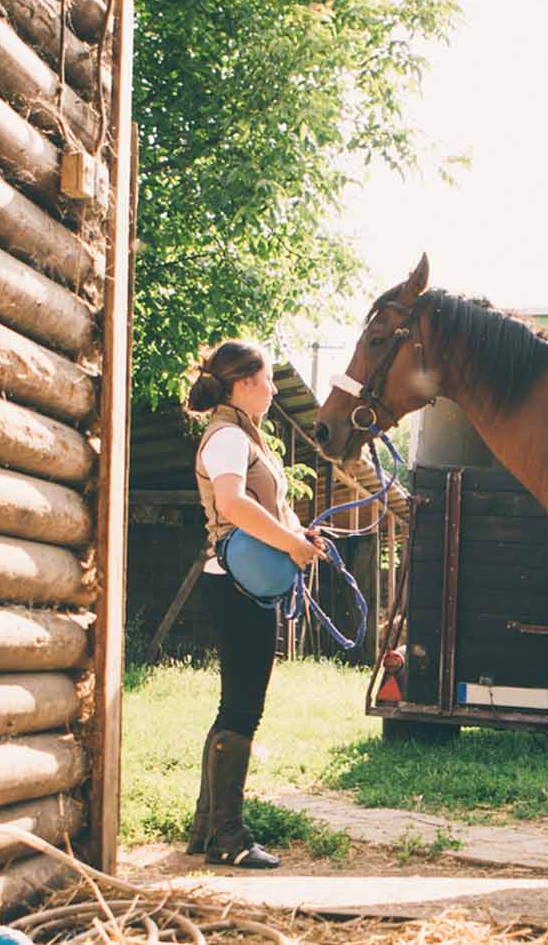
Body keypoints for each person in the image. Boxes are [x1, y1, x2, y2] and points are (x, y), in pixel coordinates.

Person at [180, 341, 326, 868]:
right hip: (235, 586)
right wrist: (289, 545)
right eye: (266, 380)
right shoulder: (225, 438)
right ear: (242, 384)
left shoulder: (241, 435)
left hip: (243, 585)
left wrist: (298, 534)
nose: (272, 389)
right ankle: (229, 836)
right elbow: (233, 504)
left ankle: (207, 830)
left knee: (234, 705)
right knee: (243, 706)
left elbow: (261, 506)